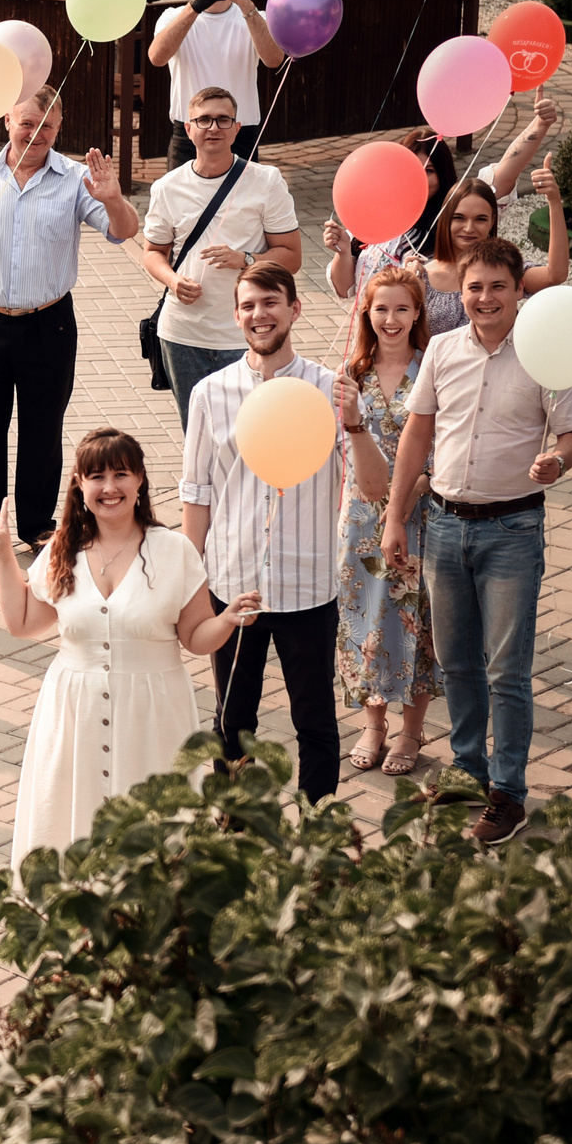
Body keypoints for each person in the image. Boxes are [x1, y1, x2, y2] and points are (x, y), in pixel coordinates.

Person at [383, 237, 572, 847]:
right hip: (444, 525)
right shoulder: (443, 349)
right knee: (456, 663)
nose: (485, 297)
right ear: (461, 292)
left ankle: (508, 793)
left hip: (512, 530)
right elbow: (416, 440)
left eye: (499, 286)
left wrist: (558, 460)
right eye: (475, 287)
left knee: (507, 671)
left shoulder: (546, 354)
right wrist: (397, 517)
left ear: (518, 292)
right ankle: (468, 771)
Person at [0, 431, 259, 863]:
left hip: (154, 712)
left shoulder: (174, 550)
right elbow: (21, 623)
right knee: (71, 819)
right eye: (97, 476)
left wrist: (225, 621)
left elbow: (195, 637)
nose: (109, 487)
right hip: (76, 709)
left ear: (140, 480)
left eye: (120, 474)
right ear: (79, 483)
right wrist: (2, 554)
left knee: (156, 828)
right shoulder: (62, 548)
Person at [0, 85, 137, 561]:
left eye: (46, 126)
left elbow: (123, 231)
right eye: (26, 123)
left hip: (49, 324)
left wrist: (112, 198)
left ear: (58, 128)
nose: (35, 133)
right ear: (6, 121)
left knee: (43, 427)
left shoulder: (74, 178)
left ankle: (37, 524)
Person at [179, 262, 345, 802]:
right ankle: (234, 828)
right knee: (233, 723)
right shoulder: (210, 394)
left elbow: (368, 481)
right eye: (248, 305)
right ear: (235, 316)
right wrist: (192, 585)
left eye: (271, 302)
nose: (260, 314)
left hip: (308, 586)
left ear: (295, 309)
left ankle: (319, 830)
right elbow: (196, 493)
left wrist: (359, 421)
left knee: (316, 724)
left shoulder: (329, 390)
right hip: (234, 586)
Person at [321, 92, 565, 327]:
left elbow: (503, 175)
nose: (418, 179)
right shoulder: (374, 217)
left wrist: (540, 125)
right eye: (411, 169)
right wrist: (343, 252)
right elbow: (344, 289)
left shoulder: (454, 217)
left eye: (428, 171)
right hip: (371, 344)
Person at [139, 85, 304, 427]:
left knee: (251, 434)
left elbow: (291, 256)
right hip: (182, 335)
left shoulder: (266, 181)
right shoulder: (167, 187)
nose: (213, 128)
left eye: (223, 120)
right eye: (204, 120)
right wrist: (172, 279)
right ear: (188, 128)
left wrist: (245, 259)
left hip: (246, 333)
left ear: (236, 128)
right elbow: (153, 252)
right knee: (197, 436)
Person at [334, 267, 440, 778]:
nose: (391, 319)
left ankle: (411, 730)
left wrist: (404, 498)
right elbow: (340, 450)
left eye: (402, 308)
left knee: (414, 622)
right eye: (381, 309)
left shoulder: (433, 370)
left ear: (417, 312)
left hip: (419, 514)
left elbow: (441, 451)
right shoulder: (352, 373)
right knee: (362, 618)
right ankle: (373, 724)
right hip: (359, 518)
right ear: (366, 314)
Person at [145, 0, 285, 164]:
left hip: (241, 131)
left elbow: (274, 59)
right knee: (184, 202)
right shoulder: (173, 17)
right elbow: (156, 57)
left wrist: (245, 4)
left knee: (244, 202)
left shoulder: (254, 17)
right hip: (189, 133)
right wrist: (196, 6)